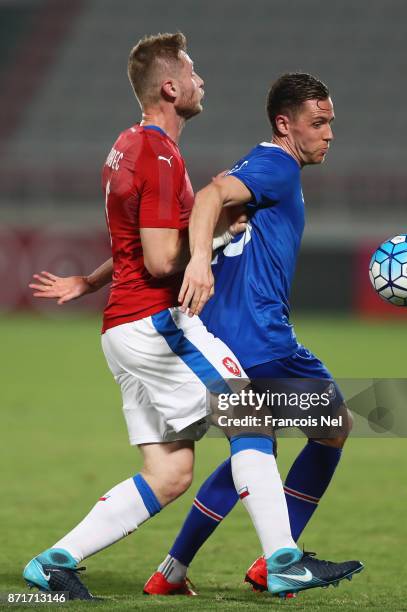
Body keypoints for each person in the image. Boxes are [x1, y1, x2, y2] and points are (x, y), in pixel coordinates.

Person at [24, 34, 359, 601]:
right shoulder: (159, 154)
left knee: (171, 474)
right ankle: (282, 560)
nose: (203, 79)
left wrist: (88, 280)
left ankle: (54, 562)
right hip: (156, 325)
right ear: (171, 87)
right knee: (251, 419)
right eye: (193, 71)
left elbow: (143, 242)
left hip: (120, 329)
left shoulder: (131, 144)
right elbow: (160, 257)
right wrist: (204, 255)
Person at [144, 72, 363, 595]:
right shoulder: (278, 165)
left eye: (331, 122)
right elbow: (210, 193)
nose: (329, 133)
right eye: (318, 122)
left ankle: (172, 571)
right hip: (264, 340)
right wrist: (199, 260)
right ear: (285, 125)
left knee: (252, 445)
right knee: (334, 426)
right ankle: (277, 561)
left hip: (223, 339)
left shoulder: (256, 165)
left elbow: (217, 197)